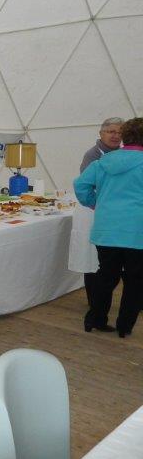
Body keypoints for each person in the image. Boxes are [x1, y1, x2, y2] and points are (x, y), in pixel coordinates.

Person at [74, 118, 143, 338]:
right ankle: (124, 326)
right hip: (137, 231)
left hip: (106, 229)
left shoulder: (104, 161)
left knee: (106, 276)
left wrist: (95, 203)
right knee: (135, 281)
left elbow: (80, 185)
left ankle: (94, 319)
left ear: (125, 136)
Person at [70, 117, 123, 333]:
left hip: (111, 214)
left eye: (119, 132)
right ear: (101, 134)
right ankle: (95, 305)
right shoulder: (92, 155)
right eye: (111, 131)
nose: (115, 135)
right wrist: (98, 203)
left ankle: (99, 308)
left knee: (109, 262)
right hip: (92, 213)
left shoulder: (123, 154)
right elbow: (85, 185)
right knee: (92, 260)